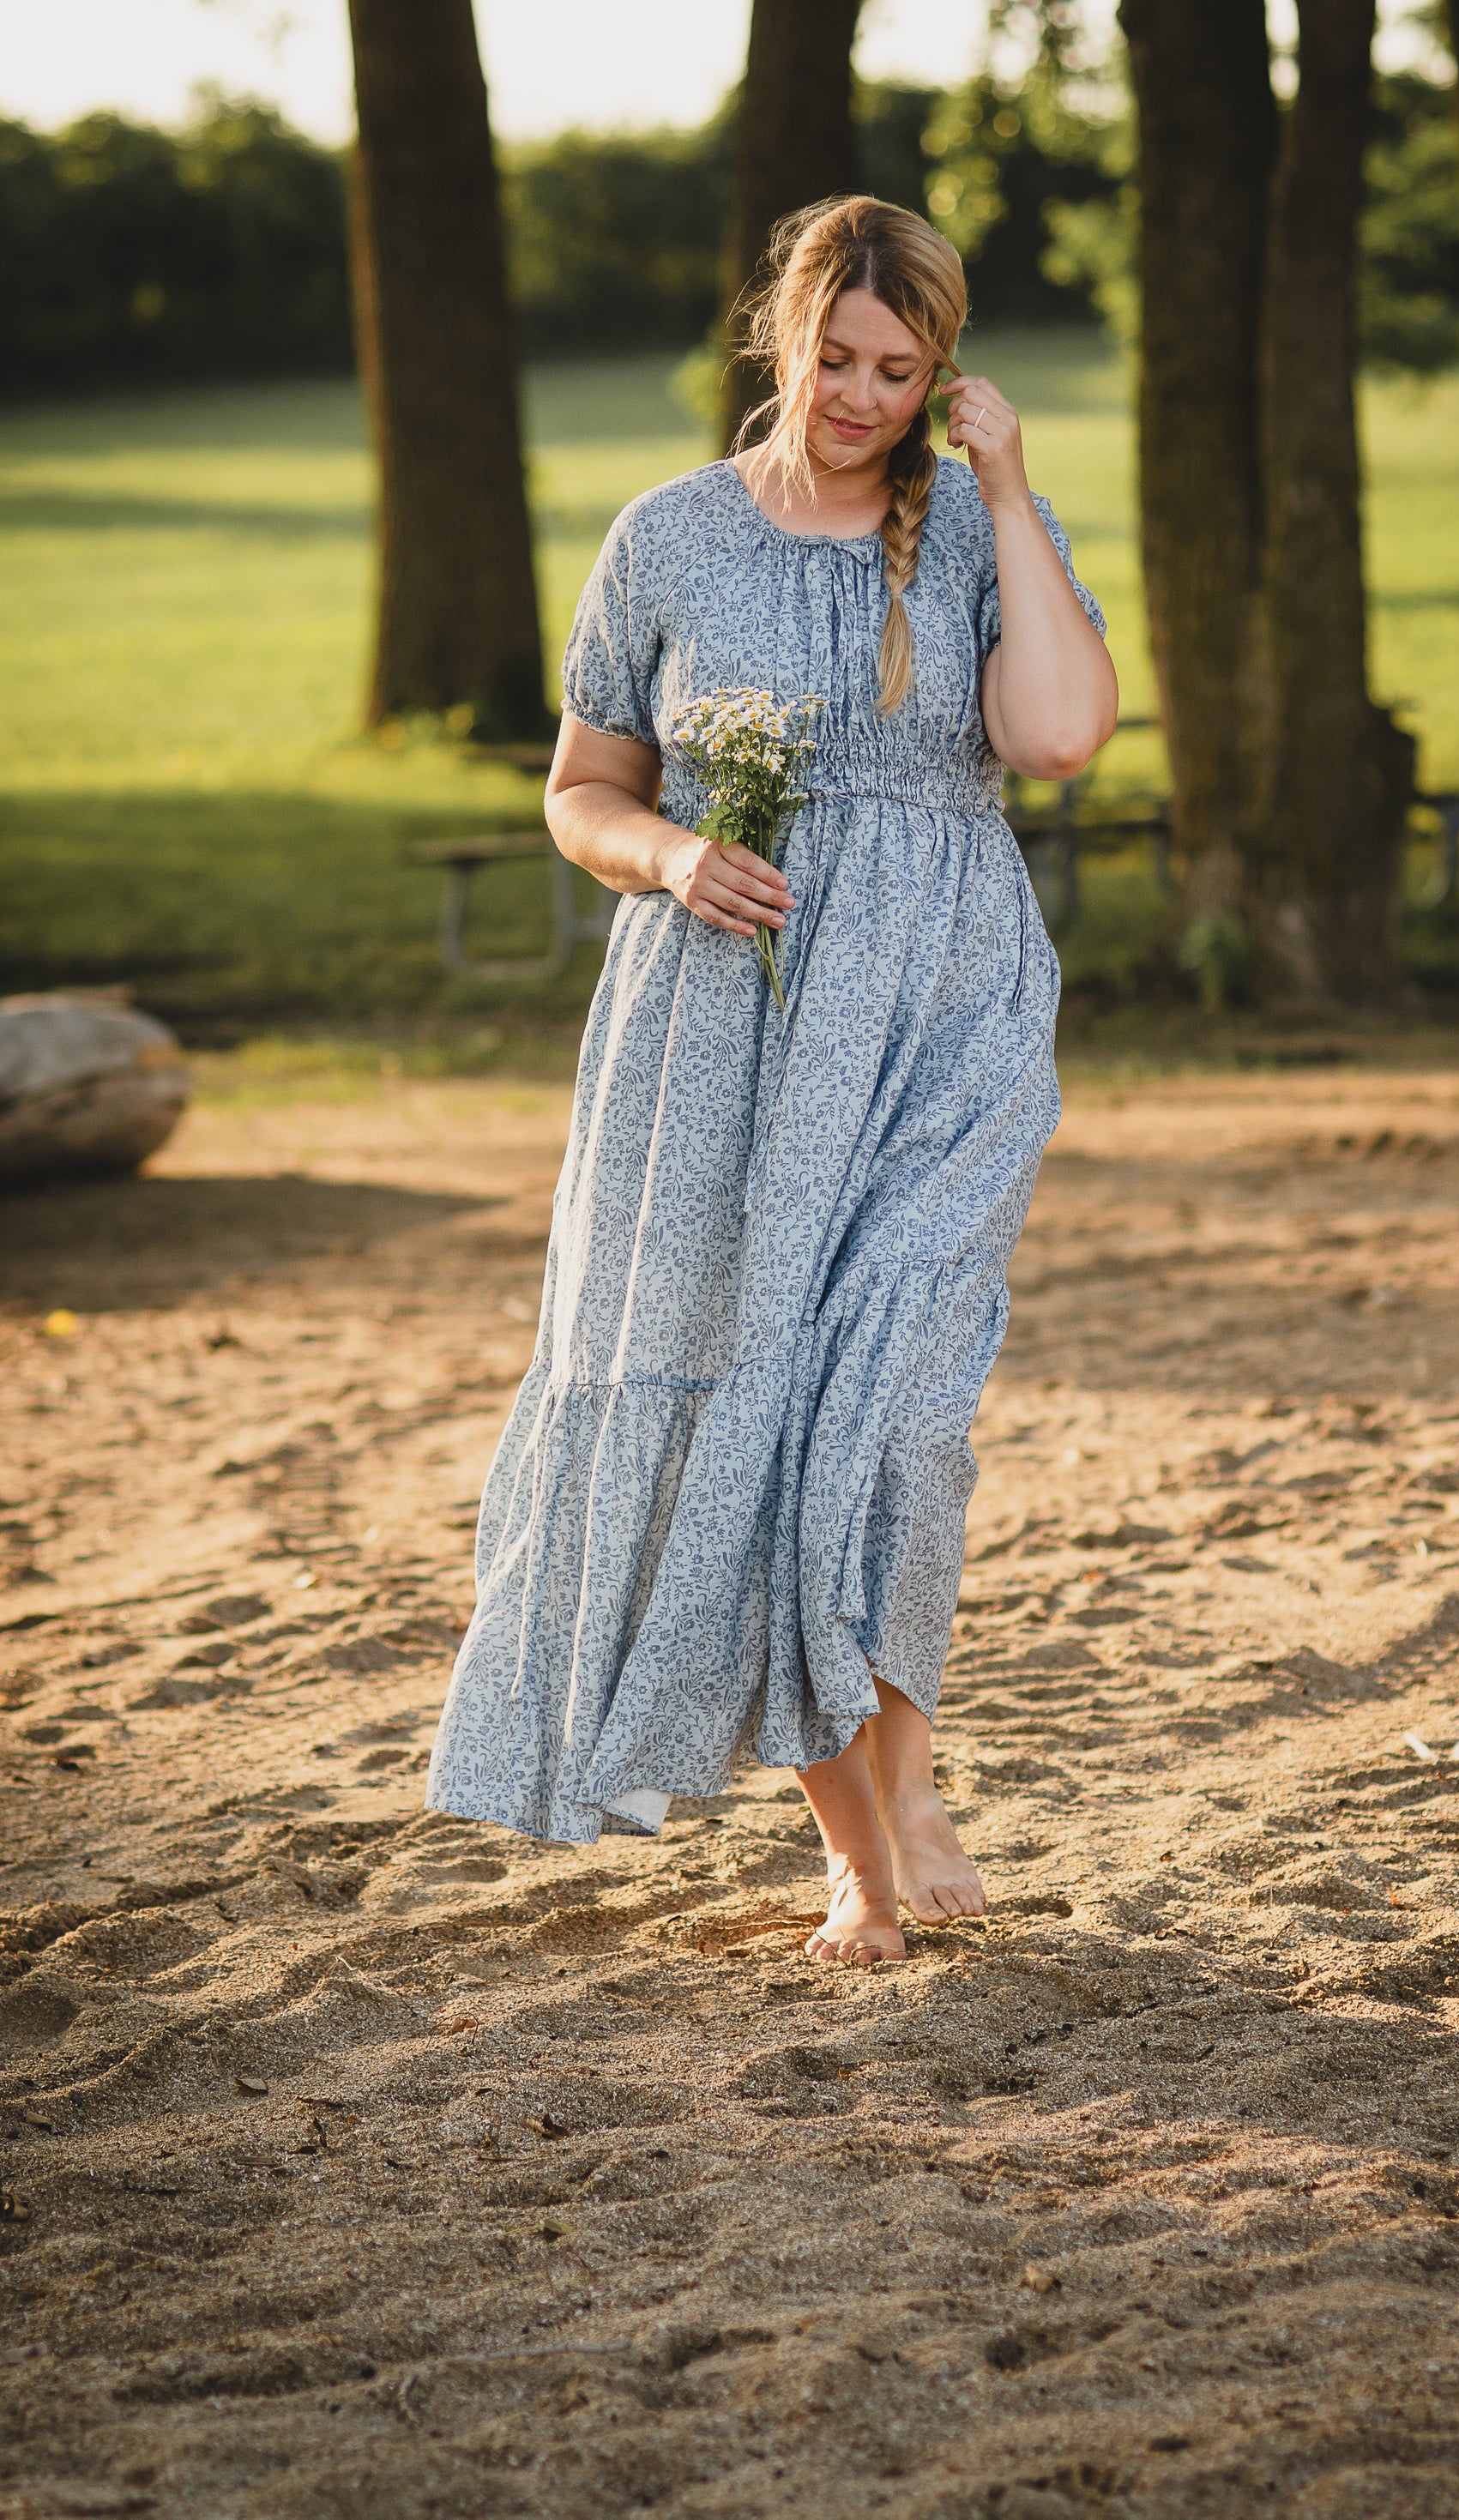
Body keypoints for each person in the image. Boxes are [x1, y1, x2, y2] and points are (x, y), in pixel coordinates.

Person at [426, 196, 1118, 1966]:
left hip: (947, 1008)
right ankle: (860, 1856)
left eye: (903, 368)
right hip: (723, 1029)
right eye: (836, 359)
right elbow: (580, 788)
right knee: (760, 1409)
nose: (864, 395)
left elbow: (1052, 738)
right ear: (779, 337)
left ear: (943, 369)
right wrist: (663, 857)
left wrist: (1014, 491)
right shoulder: (665, 539)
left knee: (897, 1401)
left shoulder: (973, 525)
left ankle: (914, 1762)